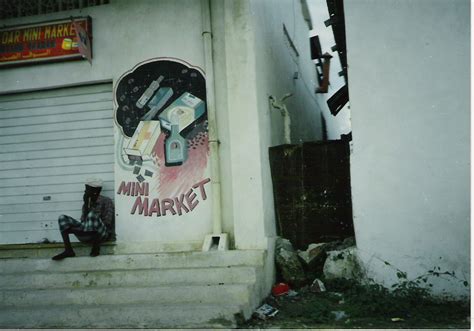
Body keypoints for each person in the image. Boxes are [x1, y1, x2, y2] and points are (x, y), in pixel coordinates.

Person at [52, 178, 115, 260]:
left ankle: (96, 248)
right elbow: (83, 222)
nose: (85, 192)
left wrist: (92, 216)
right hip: (86, 234)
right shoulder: (87, 203)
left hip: (102, 235)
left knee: (92, 215)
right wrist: (86, 205)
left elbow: (108, 223)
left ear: (96, 191)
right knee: (62, 218)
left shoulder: (106, 201)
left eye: (88, 190)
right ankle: (68, 250)